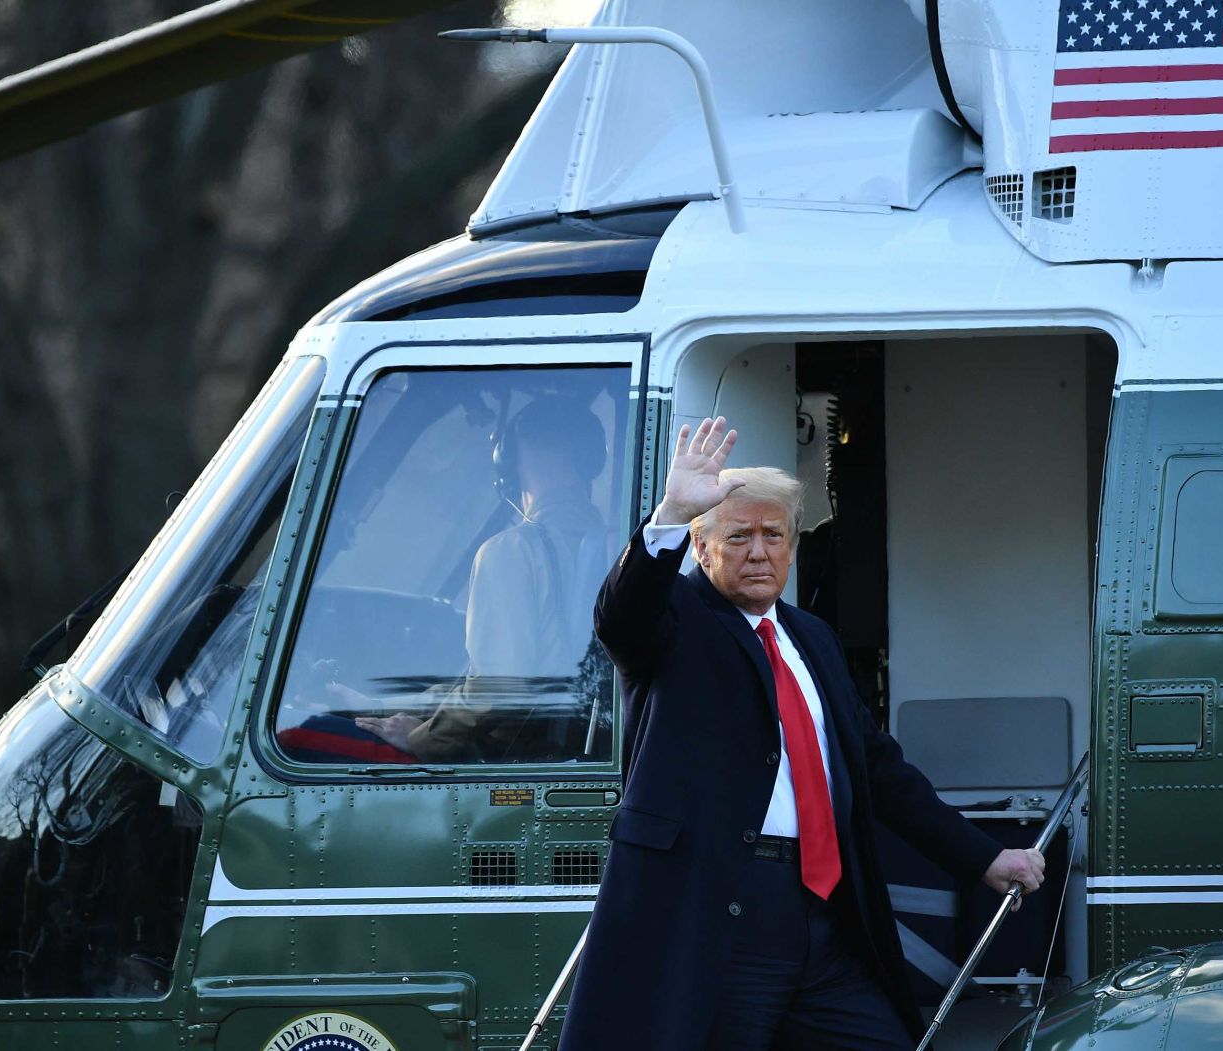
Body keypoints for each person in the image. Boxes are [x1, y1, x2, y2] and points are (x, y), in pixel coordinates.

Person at [559, 416, 1046, 1050]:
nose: (758, 552)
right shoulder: (676, 618)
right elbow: (622, 618)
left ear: (793, 547)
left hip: (824, 918)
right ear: (701, 548)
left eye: (773, 535)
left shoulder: (811, 637)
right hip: (721, 916)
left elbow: (880, 771)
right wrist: (673, 512)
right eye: (737, 537)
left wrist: (983, 856)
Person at [355, 395, 612, 761]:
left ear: (513, 458)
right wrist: (398, 705)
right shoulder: (618, 547)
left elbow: (499, 686)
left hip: (514, 758)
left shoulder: (511, 551)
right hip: (577, 746)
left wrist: (423, 739)